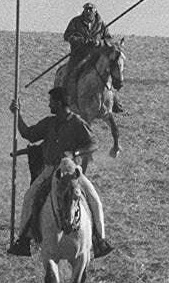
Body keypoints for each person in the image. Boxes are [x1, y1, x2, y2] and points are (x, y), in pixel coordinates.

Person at [7, 87, 113, 259]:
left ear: (58, 103)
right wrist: (17, 114)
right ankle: (24, 241)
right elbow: (28, 134)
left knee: (94, 200)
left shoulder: (77, 123)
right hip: (50, 170)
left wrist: (75, 153)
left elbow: (93, 144)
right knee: (29, 198)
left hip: (72, 171)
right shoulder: (49, 123)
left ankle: (100, 241)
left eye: (51, 102)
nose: (49, 104)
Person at [60, 2, 123, 112]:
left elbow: (108, 39)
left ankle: (114, 102)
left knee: (110, 73)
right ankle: (65, 99)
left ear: (95, 11)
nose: (88, 12)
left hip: (96, 55)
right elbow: (67, 36)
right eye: (86, 9)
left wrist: (98, 42)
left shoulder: (101, 24)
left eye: (90, 10)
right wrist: (80, 40)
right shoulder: (75, 22)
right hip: (79, 55)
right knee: (70, 73)